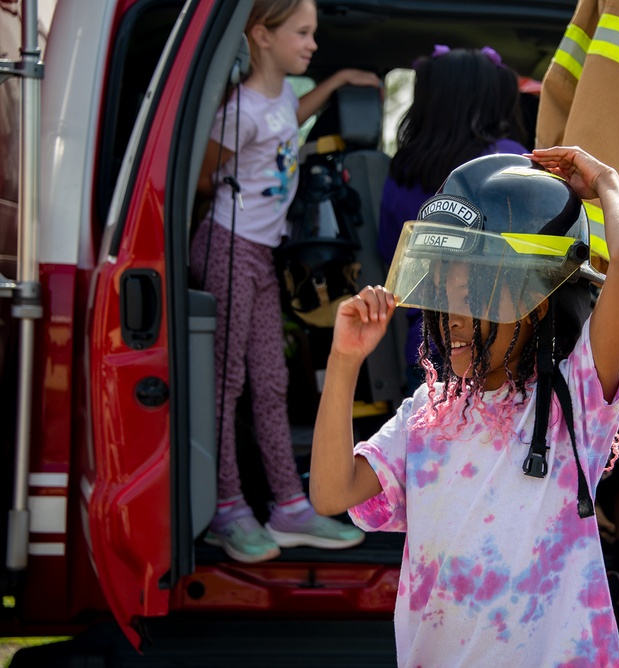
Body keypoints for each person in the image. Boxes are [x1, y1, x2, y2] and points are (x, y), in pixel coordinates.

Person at [310, 147, 619, 666]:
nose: (457, 321)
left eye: (481, 299)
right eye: (447, 298)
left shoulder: (571, 407)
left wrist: (605, 178)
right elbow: (332, 492)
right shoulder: (427, 413)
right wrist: (343, 361)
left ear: (540, 305)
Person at [189, 0, 381, 563]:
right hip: (229, 247)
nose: (313, 43)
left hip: (263, 254)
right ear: (261, 36)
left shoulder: (279, 100)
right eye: (302, 32)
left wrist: (340, 80)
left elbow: (293, 113)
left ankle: (290, 506)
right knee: (227, 385)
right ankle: (227, 506)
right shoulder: (242, 109)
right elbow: (202, 175)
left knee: (271, 383)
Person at [377, 45, 529, 393]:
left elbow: (392, 256)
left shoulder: (401, 171)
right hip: (497, 351)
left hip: (425, 347)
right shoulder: (511, 161)